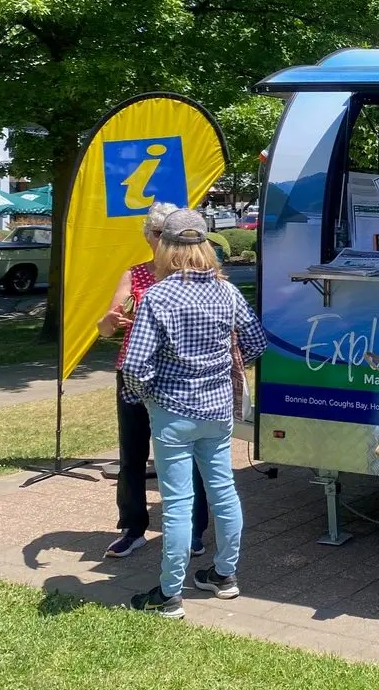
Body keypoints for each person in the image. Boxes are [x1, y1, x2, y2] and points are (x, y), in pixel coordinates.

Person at [123, 209, 268, 618]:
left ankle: (170, 593)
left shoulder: (158, 296)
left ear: (166, 247)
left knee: (178, 503)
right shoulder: (227, 292)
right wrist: (225, 369)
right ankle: (225, 574)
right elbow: (256, 343)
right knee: (223, 491)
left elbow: (134, 365)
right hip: (217, 409)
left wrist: (146, 395)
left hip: (172, 411)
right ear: (205, 246)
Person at [96, 202, 209, 559]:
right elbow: (106, 328)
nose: (163, 239)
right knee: (132, 452)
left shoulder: (195, 278)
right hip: (133, 373)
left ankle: (194, 530)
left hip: (177, 376)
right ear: (147, 236)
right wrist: (109, 321)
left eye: (168, 233)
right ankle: (133, 528)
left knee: (187, 454)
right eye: (157, 233)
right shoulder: (135, 274)